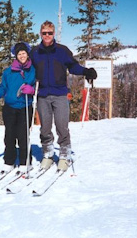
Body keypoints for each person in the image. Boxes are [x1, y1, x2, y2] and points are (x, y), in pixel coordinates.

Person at [30, 20, 97, 172]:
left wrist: (86, 71)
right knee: (45, 127)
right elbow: (29, 69)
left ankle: (64, 155)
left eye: (50, 33)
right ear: (41, 34)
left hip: (60, 94)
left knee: (62, 126)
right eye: (44, 33)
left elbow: (73, 66)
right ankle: (47, 154)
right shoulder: (35, 52)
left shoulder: (62, 50)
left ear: (54, 34)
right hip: (42, 95)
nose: (47, 35)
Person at [0, 42, 36, 174]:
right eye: (19, 54)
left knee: (23, 135)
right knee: (9, 135)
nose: (22, 56)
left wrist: (31, 90)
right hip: (9, 107)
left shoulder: (32, 70)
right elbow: (3, 87)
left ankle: (25, 162)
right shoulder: (8, 72)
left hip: (25, 106)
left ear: (27, 54)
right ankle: (9, 161)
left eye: (24, 53)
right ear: (16, 56)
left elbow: (37, 86)